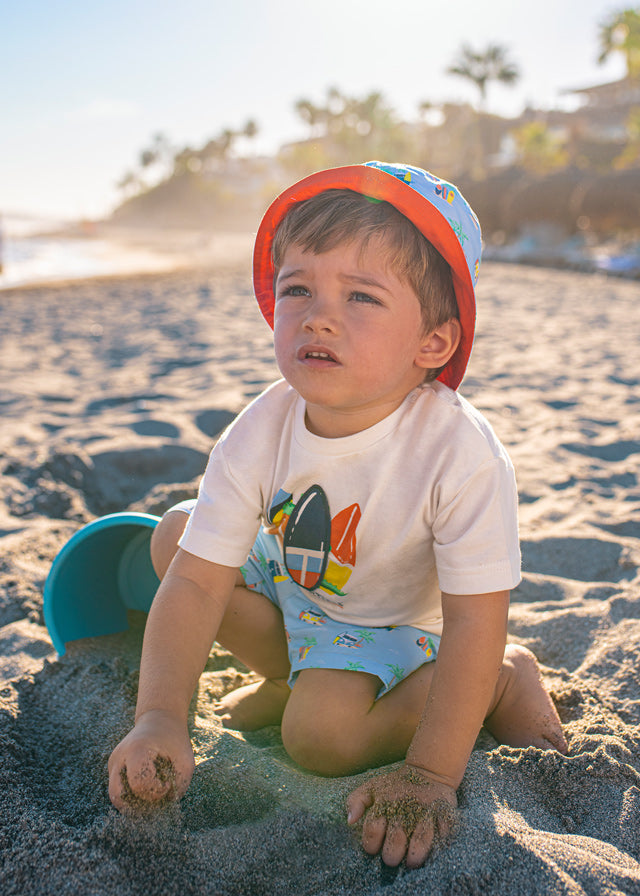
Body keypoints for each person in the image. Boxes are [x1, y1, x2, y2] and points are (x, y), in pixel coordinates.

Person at [108, 161, 567, 868]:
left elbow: (476, 615)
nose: (319, 314)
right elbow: (199, 586)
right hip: (307, 589)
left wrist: (431, 775)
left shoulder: (457, 451)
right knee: (178, 539)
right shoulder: (263, 425)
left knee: (319, 738)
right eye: (297, 289)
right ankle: (288, 672)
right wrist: (161, 716)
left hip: (396, 625)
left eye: (361, 296)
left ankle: (505, 678)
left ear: (433, 343)